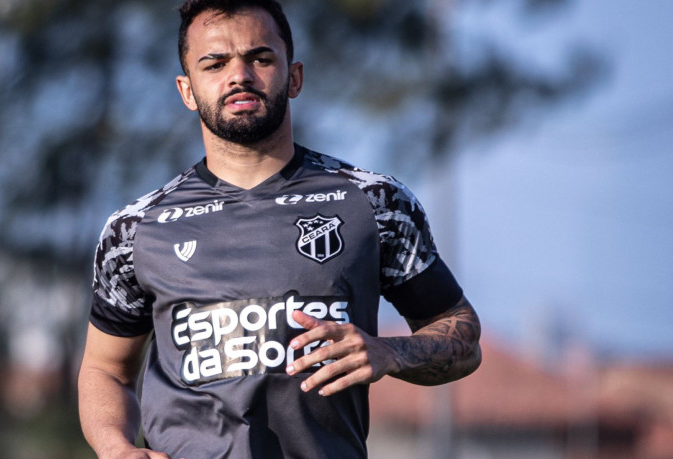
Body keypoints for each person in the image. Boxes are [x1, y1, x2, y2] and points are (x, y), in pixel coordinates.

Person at [77, 0, 482, 458]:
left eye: (260, 58)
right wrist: (115, 447)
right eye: (215, 63)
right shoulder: (135, 229)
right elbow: (105, 371)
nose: (239, 76)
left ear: (294, 77)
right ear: (187, 90)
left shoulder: (375, 203)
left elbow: (462, 337)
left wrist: (389, 353)